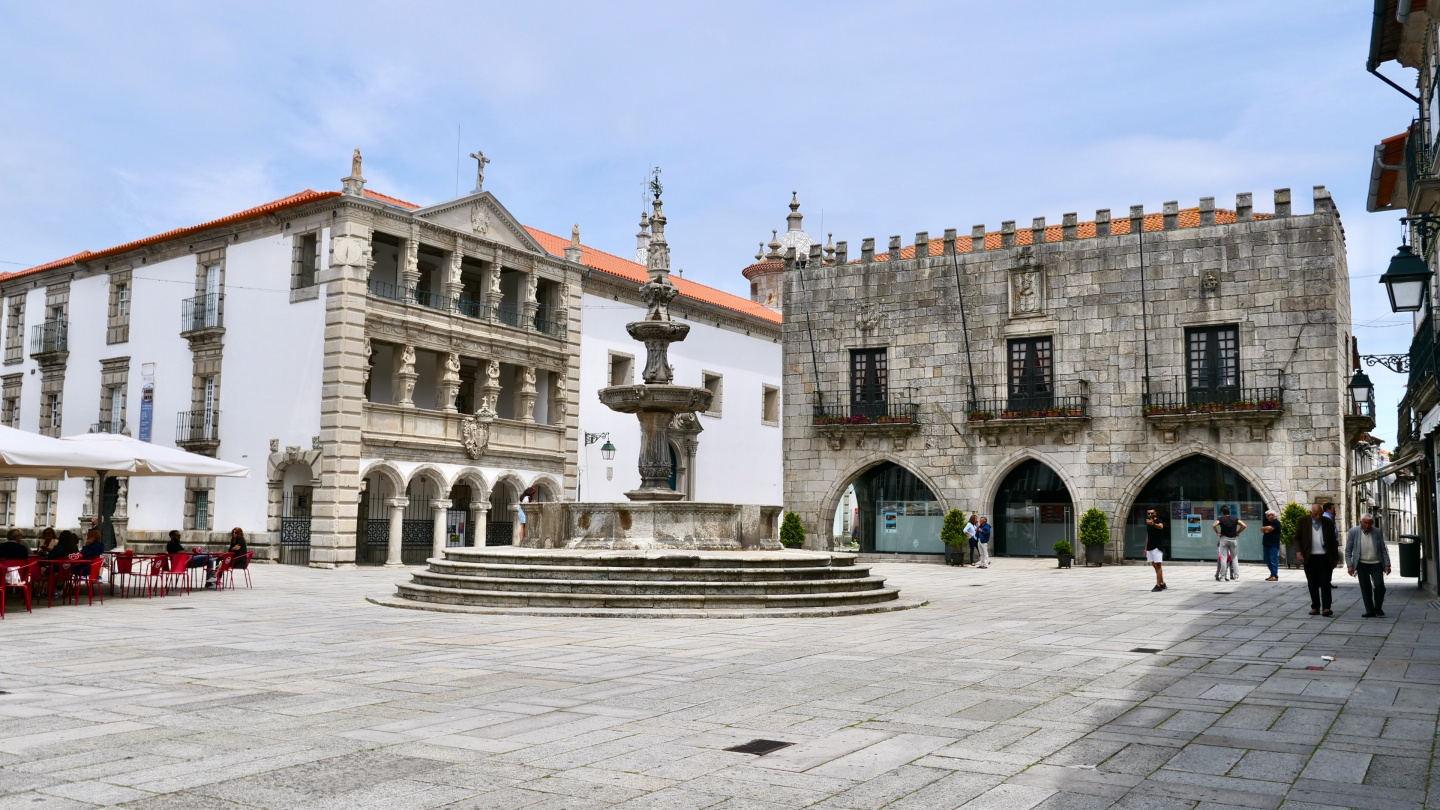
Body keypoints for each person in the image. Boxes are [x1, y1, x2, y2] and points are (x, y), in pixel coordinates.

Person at [1295, 502, 1340, 617]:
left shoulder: (1328, 522)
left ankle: (1326, 607)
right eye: (1316, 514)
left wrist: (1335, 558)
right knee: (1312, 583)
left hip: (1324, 556)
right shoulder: (1303, 521)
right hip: (1309, 557)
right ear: (1311, 513)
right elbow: (1297, 538)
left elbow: (1332, 542)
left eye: (1320, 514)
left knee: (1325, 582)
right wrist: (1298, 552)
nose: (1318, 517)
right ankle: (1315, 606)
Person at [1346, 513, 1392, 618]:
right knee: (1365, 588)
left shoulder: (1377, 532)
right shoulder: (1353, 532)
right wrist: (1350, 565)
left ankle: (1378, 607)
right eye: (1365, 523)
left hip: (1376, 563)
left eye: (1370, 523)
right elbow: (1348, 550)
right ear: (1361, 522)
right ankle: (1370, 610)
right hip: (1361, 563)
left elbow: (1383, 549)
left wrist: (1387, 564)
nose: (1367, 525)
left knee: (1380, 586)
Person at [1212, 505, 1245, 582]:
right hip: (1233, 539)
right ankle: (1236, 576)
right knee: (1234, 558)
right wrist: (1238, 532)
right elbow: (1244, 525)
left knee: (1224, 558)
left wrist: (1217, 532)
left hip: (1224, 539)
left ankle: (1222, 576)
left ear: (1222, 512)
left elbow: (1214, 525)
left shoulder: (1220, 519)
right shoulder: (1235, 519)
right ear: (1228, 512)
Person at [1143, 508, 1167, 592]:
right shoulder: (1148, 522)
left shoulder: (1158, 521)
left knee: (1158, 566)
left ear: (1155, 513)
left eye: (1151, 513)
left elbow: (1161, 526)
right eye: (1148, 513)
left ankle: (1158, 585)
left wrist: (1153, 523)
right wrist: (1145, 548)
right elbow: (1148, 535)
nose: (1150, 515)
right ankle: (1162, 583)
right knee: (1155, 566)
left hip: (1157, 546)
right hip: (1150, 547)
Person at [1260, 509, 1282, 581]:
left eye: (1268, 516)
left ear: (1272, 515)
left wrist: (1266, 529)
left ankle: (1275, 575)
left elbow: (1269, 529)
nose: (1267, 517)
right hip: (1266, 543)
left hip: (1273, 544)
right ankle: (1272, 574)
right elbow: (1262, 529)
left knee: (1273, 560)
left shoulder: (1276, 522)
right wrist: (1265, 529)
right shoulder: (1268, 522)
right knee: (1268, 560)